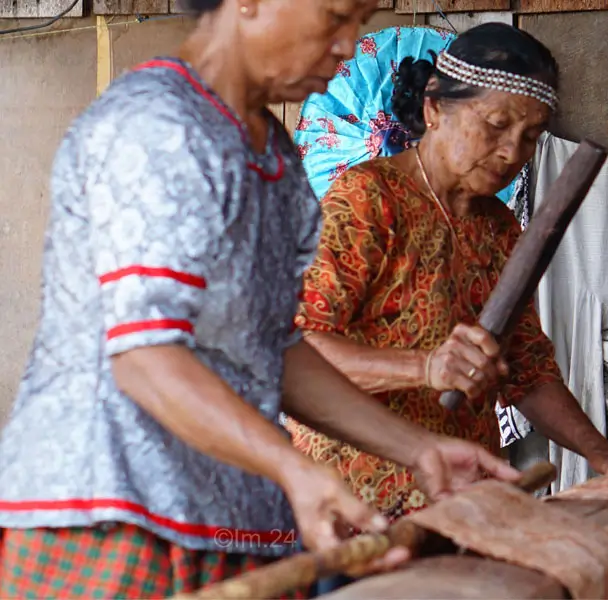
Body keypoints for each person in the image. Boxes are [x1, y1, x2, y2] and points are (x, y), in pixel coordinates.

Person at [0, 0, 521, 596]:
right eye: (334, 16)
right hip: (112, 523)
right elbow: (145, 357)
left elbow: (275, 349)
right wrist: (293, 468)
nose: (347, 45)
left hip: (229, 525)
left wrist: (420, 450)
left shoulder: (271, 152)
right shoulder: (157, 128)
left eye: (357, 22)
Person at [286, 22, 608, 526]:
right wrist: (423, 368)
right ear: (434, 108)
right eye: (496, 125)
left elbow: (524, 366)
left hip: (458, 498)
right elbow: (299, 348)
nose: (511, 153)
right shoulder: (367, 200)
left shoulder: (498, 227)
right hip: (351, 503)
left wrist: (599, 449)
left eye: (530, 137)